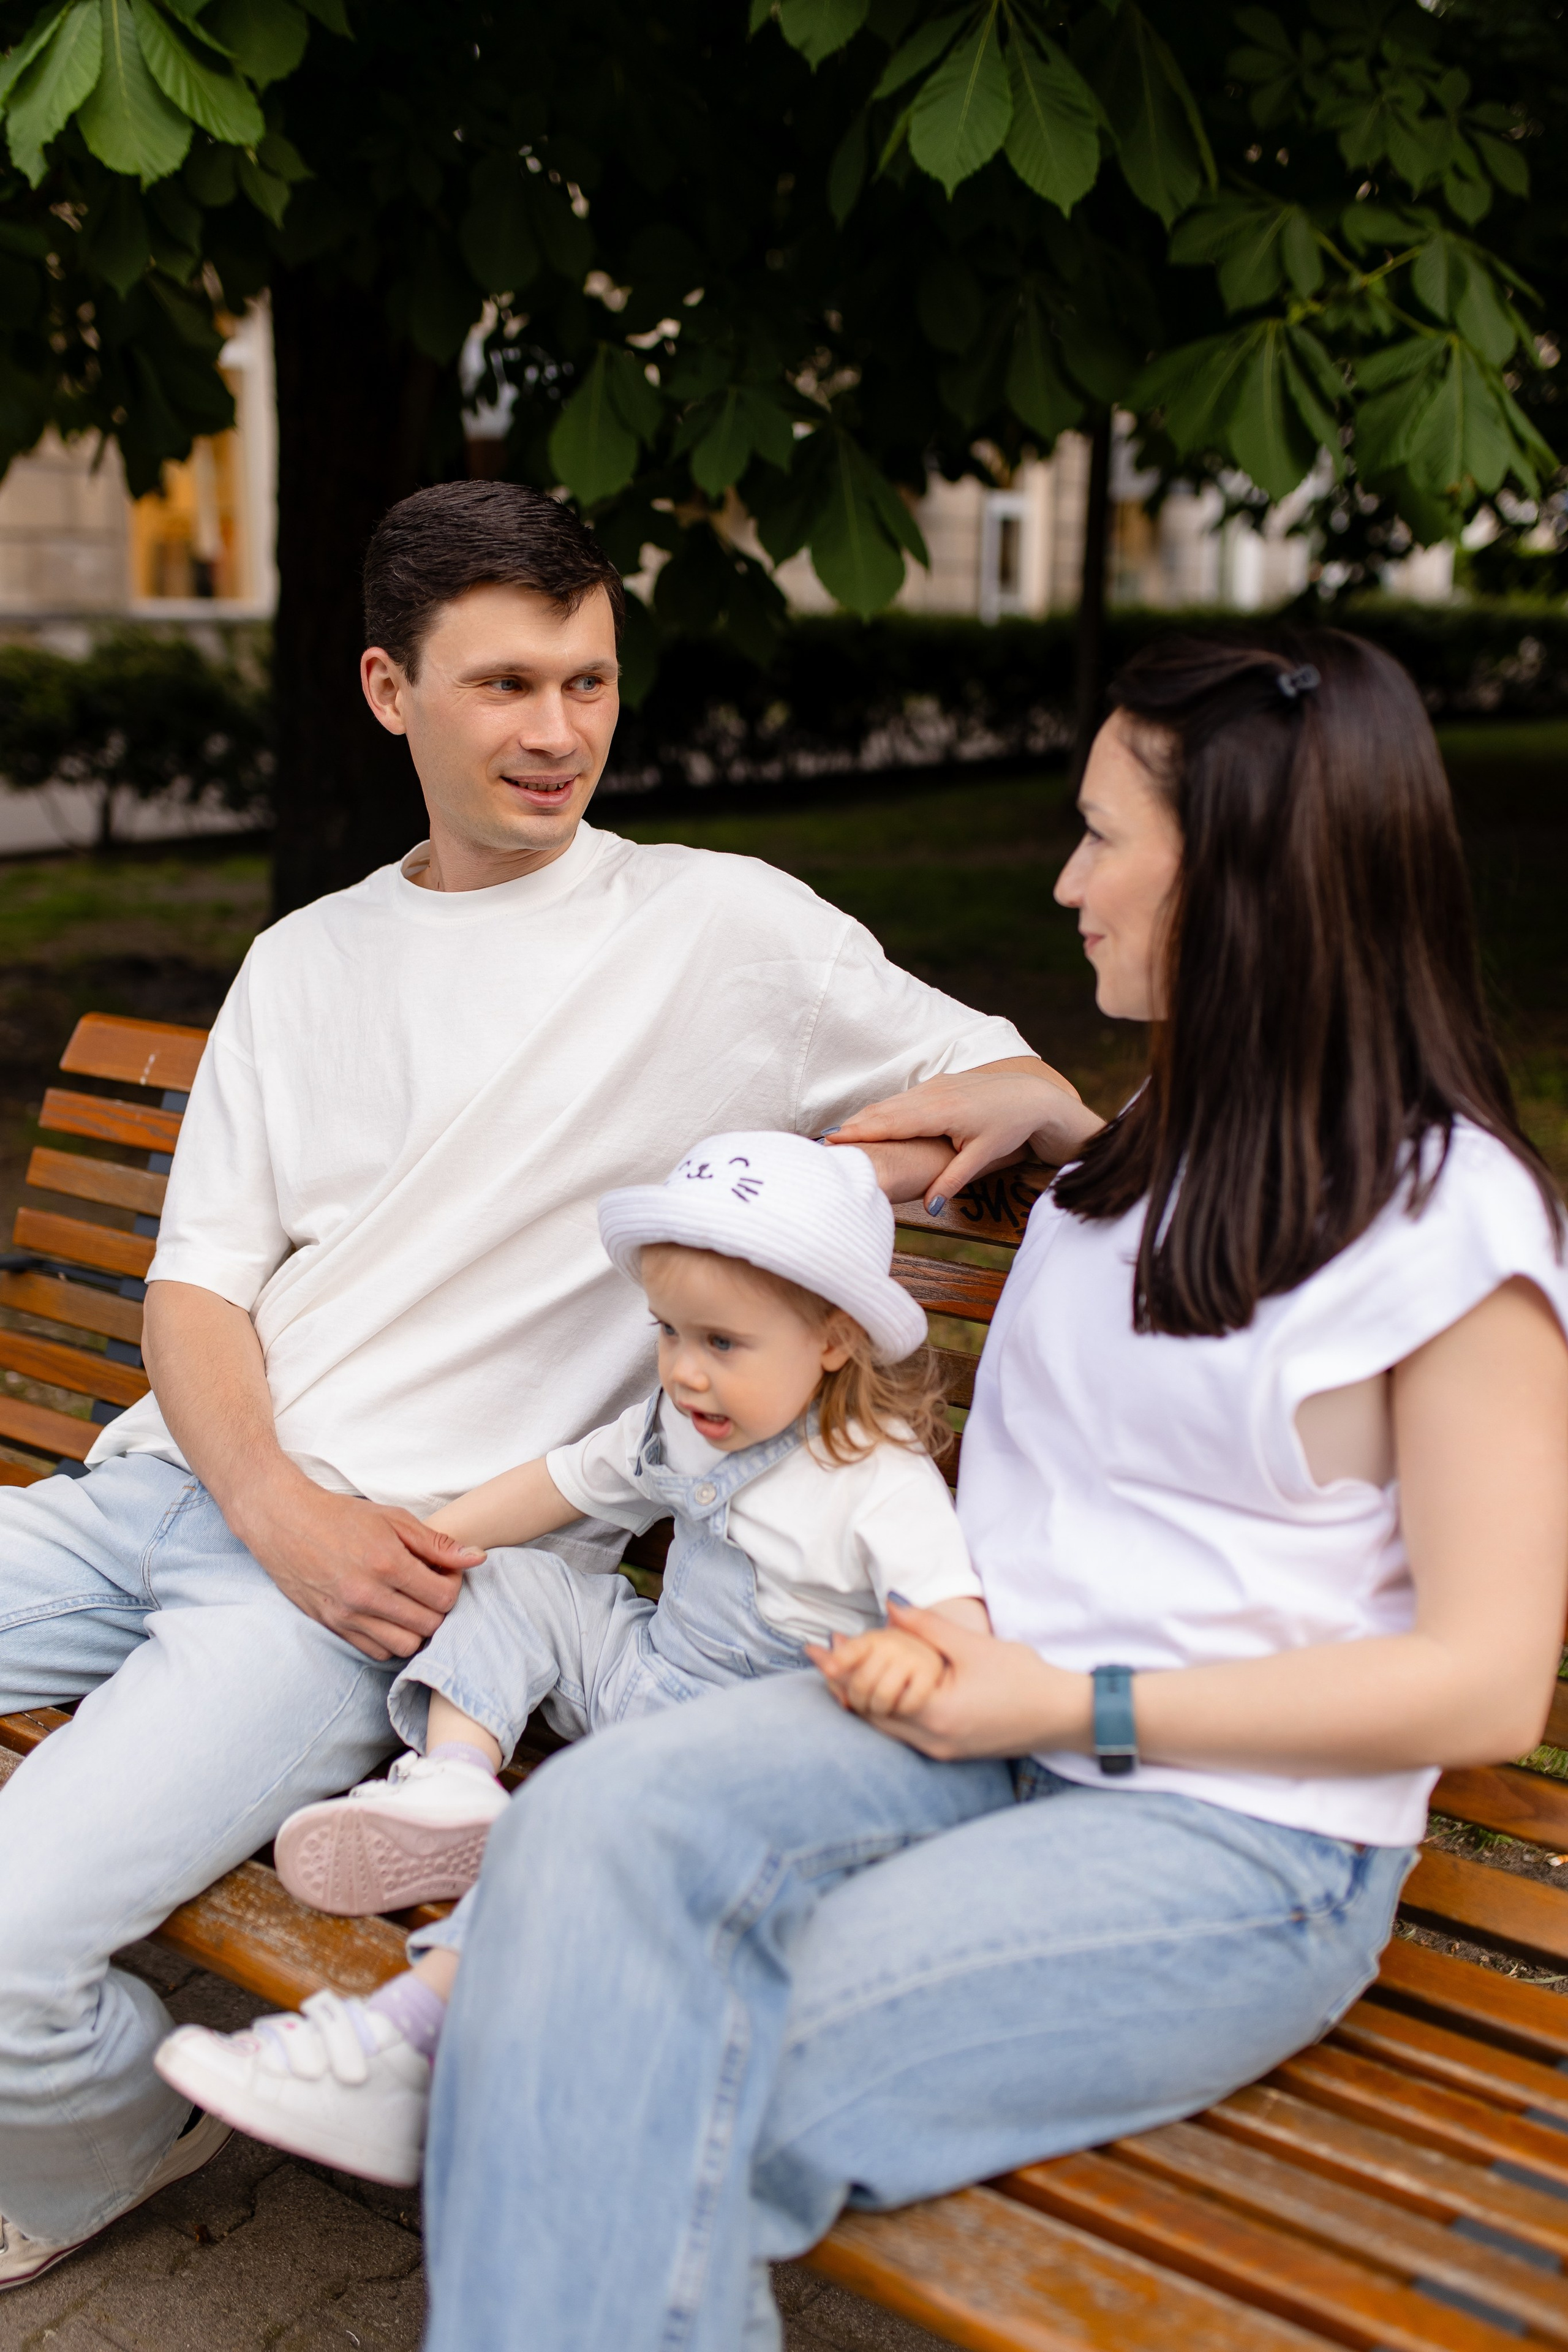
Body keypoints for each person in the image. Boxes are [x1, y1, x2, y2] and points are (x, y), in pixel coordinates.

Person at [415, 632, 1568, 2352]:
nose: (1064, 880)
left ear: (1242, 876)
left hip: (1235, 1839)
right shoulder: (1157, 1143)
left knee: (668, 2061)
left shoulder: (1451, 1232)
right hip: (980, 1730)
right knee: (587, 1833)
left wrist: (1075, 1695)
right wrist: (1049, 1113)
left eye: (1105, 837)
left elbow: (1488, 1681)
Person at [0, 481, 1095, 2288]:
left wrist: (767, 1185)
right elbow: (194, 1295)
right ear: (386, 689)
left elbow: (1021, 1095)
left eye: (588, 682)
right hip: (186, 1496)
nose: (558, 732)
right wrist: (267, 1502)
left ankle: (108, 2124)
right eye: (506, 685)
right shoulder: (308, 960)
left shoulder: (718, 929)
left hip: (393, 1583)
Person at [153, 1130, 991, 2185]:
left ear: (832, 1338)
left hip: (746, 1759)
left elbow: (959, 1633)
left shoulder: (877, 1481)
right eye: (668, 1333)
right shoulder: (680, 1424)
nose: (686, 1370)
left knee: (577, 1830)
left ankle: (402, 2039)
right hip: (649, 1679)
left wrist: (917, 1663)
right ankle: (454, 1788)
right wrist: (426, 1548)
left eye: (722, 1343)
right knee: (516, 1579)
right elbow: (558, 1484)